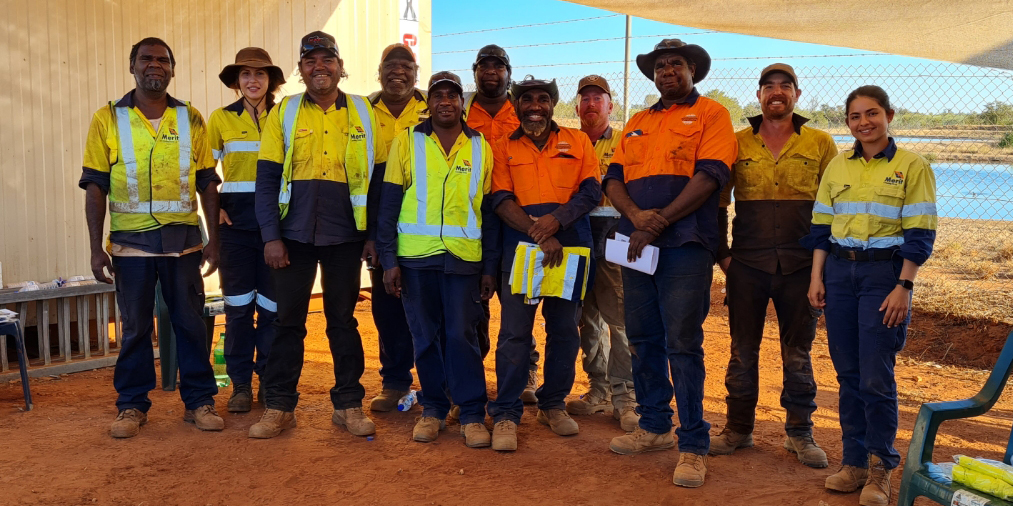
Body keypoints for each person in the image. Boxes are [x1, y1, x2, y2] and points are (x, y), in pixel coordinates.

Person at [603, 39, 737, 488]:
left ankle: (693, 443)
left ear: (692, 69)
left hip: (685, 245)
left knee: (682, 342)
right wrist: (638, 218)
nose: (667, 71)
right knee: (643, 337)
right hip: (636, 244)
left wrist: (657, 221)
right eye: (660, 66)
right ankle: (655, 425)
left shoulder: (712, 115)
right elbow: (613, 178)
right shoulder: (637, 122)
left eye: (675, 64)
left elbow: (711, 176)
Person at [80, 37, 224, 438]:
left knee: (191, 324)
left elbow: (207, 182)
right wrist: (96, 249)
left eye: (163, 60)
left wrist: (213, 240)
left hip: (183, 243)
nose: (154, 65)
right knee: (135, 327)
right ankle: (131, 406)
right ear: (132, 67)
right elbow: (95, 186)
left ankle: (199, 402)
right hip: (131, 246)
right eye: (146, 58)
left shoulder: (190, 118)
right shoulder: (107, 118)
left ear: (173, 70)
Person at [802, 85, 937, 506]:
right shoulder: (837, 167)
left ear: (889, 115)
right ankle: (854, 463)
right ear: (848, 122)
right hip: (840, 274)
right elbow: (821, 230)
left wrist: (904, 285)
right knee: (847, 375)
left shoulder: (912, 166)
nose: (865, 122)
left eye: (872, 113)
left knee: (876, 376)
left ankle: (881, 468)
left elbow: (921, 233)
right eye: (856, 116)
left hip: (884, 277)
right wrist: (816, 278)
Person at [248, 31, 386, 439]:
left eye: (327, 60)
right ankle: (279, 407)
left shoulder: (364, 112)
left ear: (341, 67)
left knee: (342, 320)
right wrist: (271, 236)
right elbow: (267, 179)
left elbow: (376, 182)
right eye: (310, 61)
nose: (319, 67)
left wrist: (373, 236)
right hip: (292, 237)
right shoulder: (285, 112)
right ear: (300, 70)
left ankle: (347, 405)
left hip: (346, 236)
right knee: (286, 321)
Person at [710, 63, 838, 467]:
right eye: (769, 87)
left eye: (785, 86)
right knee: (742, 350)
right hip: (746, 264)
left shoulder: (820, 143)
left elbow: (834, 208)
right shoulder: (737, 142)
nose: (777, 92)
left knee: (798, 351)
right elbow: (717, 203)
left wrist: (824, 267)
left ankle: (800, 433)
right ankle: (738, 429)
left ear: (797, 95)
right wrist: (724, 256)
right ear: (759, 94)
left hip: (802, 267)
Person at [377, 71, 497, 448]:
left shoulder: (481, 146)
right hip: (416, 260)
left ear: (463, 102)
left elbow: (488, 212)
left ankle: (473, 413)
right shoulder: (407, 142)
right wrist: (388, 259)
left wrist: (489, 267)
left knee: (463, 336)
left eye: (453, 95)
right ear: (427, 102)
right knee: (424, 337)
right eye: (438, 95)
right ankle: (432, 410)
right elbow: (389, 203)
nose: (445, 101)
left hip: (464, 261)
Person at [487, 76, 601, 451]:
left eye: (542, 99)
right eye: (526, 100)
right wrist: (540, 231)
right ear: (516, 105)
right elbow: (501, 199)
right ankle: (506, 412)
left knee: (565, 330)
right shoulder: (503, 146)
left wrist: (557, 222)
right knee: (515, 333)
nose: (534, 105)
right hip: (522, 250)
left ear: (553, 104)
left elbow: (590, 191)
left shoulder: (578, 140)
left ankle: (552, 404)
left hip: (571, 248)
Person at [207, 47, 286, 413]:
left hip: (277, 229)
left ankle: (268, 384)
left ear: (270, 79)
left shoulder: (286, 115)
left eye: (260, 74)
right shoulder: (220, 119)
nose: (252, 80)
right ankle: (240, 386)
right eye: (245, 75)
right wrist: (216, 207)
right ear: (236, 82)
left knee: (272, 311)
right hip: (236, 228)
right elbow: (205, 173)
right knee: (238, 311)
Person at [463, 44, 539, 405]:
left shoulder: (522, 112)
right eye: (484, 66)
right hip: (470, 217)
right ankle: (470, 375)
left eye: (498, 66)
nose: (490, 71)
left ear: (509, 72)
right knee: (472, 299)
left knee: (518, 297)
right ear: (474, 72)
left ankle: (526, 372)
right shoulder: (462, 111)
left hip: (514, 217)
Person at [563, 75, 639, 432]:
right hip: (577, 231)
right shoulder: (568, 142)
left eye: (599, 98)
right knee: (586, 314)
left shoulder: (625, 142)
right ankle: (599, 388)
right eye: (585, 99)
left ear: (611, 106)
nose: (591, 104)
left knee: (619, 314)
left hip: (614, 232)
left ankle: (626, 396)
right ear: (577, 107)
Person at [364, 43, 430, 412]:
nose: (398, 72)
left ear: (416, 72)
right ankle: (394, 381)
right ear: (379, 71)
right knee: (387, 303)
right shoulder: (362, 110)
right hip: (380, 221)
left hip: (426, 221)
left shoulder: (432, 106)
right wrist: (370, 234)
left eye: (406, 66)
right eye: (391, 65)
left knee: (428, 304)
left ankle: (438, 381)